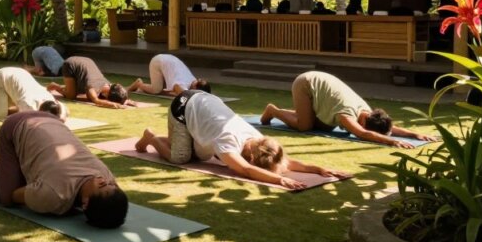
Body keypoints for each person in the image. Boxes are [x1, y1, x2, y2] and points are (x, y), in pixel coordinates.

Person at [135, 90, 348, 189]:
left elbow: (287, 162)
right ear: (252, 158)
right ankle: (151, 137)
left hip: (203, 104)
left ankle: (169, 139)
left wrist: (319, 169)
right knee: (180, 157)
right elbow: (246, 170)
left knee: (198, 155)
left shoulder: (258, 139)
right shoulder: (228, 143)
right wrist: (279, 180)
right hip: (183, 106)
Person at [0, 111, 128, 228]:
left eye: (102, 185)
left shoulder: (54, 195)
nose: (103, 180)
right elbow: (14, 195)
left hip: (50, 119)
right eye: (110, 183)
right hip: (16, 125)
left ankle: (12, 167)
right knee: (4, 196)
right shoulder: (53, 195)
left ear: (85, 204)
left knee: (30, 180)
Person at [259, 71, 438, 148]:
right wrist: (391, 142)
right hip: (305, 83)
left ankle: (296, 112)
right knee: (305, 126)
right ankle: (273, 110)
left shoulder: (367, 112)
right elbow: (363, 134)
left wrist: (414, 135)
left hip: (320, 85)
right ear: (365, 122)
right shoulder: (347, 114)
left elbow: (387, 128)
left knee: (323, 126)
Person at [0, 67, 67, 120]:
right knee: (1, 114)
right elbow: (24, 121)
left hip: (19, 75)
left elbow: (63, 110)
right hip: (1, 76)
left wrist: (61, 118)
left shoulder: (51, 100)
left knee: (12, 108)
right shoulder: (27, 103)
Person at [46, 56, 137, 109]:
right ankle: (54, 86)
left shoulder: (109, 85)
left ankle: (70, 86)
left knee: (81, 90)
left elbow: (119, 90)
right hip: (71, 64)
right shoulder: (92, 87)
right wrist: (115, 105)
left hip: (86, 63)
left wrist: (124, 100)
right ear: (106, 95)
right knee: (71, 95)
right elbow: (96, 101)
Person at [127, 54, 210, 96]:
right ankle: (139, 84)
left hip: (165, 59)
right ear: (195, 88)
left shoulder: (193, 79)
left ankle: (142, 87)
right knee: (156, 90)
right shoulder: (185, 83)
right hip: (158, 62)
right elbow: (176, 88)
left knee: (164, 90)